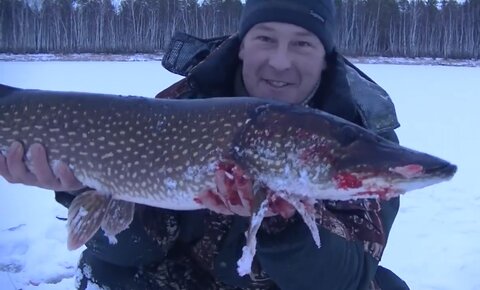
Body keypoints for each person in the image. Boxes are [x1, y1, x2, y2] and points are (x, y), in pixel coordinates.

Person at [0, 0, 410, 289]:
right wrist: (76, 186)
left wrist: (280, 224)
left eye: (303, 42)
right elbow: (129, 251)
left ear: (326, 56)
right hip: (177, 277)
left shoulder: (359, 139)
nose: (281, 61)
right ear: (242, 43)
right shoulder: (184, 105)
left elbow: (345, 281)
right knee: (109, 266)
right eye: (265, 38)